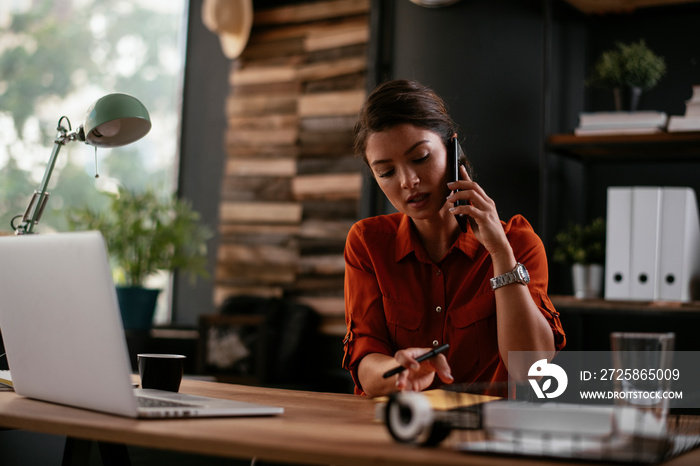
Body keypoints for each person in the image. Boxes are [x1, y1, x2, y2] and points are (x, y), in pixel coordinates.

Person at [342, 80, 566, 397]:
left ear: (452, 150)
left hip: (487, 436)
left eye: (420, 158)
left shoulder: (518, 242)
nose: (408, 181)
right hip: (401, 431)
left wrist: (501, 253)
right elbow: (367, 366)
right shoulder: (367, 243)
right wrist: (399, 372)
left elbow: (533, 374)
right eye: (387, 172)